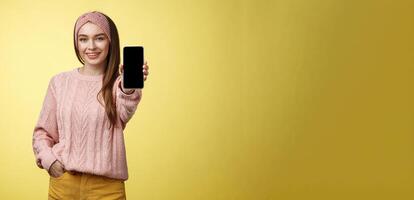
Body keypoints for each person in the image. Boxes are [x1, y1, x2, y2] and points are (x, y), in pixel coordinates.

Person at [32, 11, 149, 199]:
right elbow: (41, 133)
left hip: (107, 189)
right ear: (76, 43)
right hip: (64, 184)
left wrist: (128, 88)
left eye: (99, 38)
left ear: (111, 42)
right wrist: (50, 161)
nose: (91, 46)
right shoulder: (60, 82)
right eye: (83, 39)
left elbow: (125, 113)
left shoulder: (118, 85)